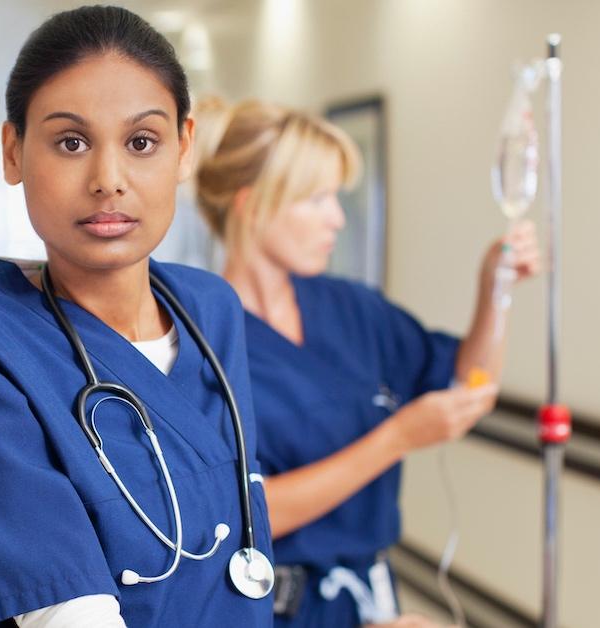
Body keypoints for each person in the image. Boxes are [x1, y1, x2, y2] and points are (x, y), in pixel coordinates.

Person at [0, 7, 275, 628]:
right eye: (71, 142)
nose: (108, 180)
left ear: (184, 148)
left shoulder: (212, 310)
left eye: (141, 142)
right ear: (14, 151)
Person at [193, 99, 541, 627]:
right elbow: (242, 514)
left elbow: (471, 382)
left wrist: (496, 288)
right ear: (253, 204)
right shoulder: (200, 336)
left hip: (369, 605)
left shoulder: (353, 309)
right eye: (317, 200)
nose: (337, 218)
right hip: (267, 609)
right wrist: (396, 438)